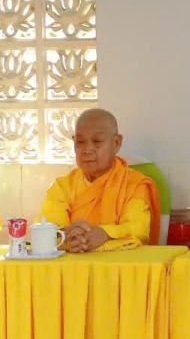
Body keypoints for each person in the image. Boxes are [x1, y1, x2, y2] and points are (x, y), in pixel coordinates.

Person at [41, 108, 158, 252]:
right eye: (80, 142)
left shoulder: (134, 185)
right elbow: (47, 228)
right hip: (71, 263)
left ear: (116, 143)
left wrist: (105, 234)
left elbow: (138, 229)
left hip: (118, 264)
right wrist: (68, 237)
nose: (87, 149)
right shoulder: (62, 186)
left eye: (97, 141)